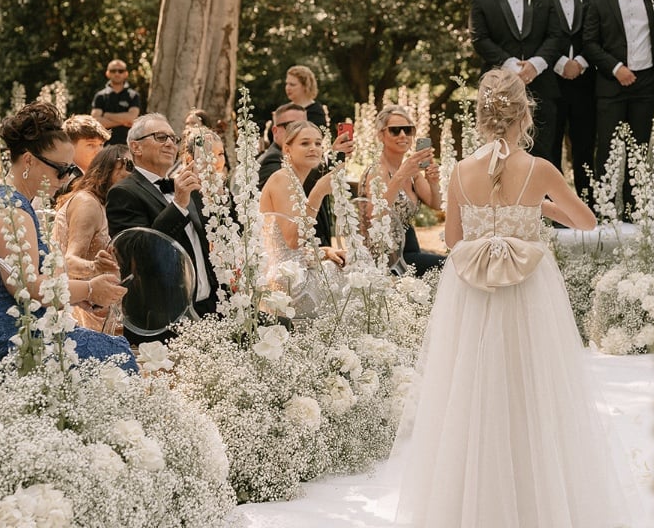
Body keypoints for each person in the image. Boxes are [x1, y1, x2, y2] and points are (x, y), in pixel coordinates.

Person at [393, 69, 635, 527]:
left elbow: (451, 237)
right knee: (534, 391)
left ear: (482, 118)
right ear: (525, 114)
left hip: (473, 293)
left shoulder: (461, 172)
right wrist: (538, 205)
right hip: (528, 293)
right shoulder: (540, 169)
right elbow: (585, 222)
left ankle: (474, 504)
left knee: (473, 391)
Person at [0, 102, 135, 372]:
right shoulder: (6, 206)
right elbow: (25, 286)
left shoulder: (15, 201)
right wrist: (91, 289)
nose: (65, 179)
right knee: (117, 356)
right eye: (60, 169)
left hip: (15, 324)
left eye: (70, 169)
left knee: (110, 349)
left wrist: (78, 296)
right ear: (28, 160)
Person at [105, 114, 220, 338]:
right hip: (163, 319)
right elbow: (138, 253)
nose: (169, 143)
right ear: (136, 147)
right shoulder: (123, 193)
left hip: (208, 309)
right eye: (160, 137)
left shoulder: (184, 185)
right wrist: (178, 204)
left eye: (172, 138)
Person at [583, 0, 654, 215]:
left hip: (646, 83)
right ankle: (603, 209)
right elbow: (590, 44)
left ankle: (635, 208)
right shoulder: (598, 3)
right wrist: (616, 68)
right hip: (612, 85)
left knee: (640, 146)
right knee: (608, 147)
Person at [470, 0, 567, 163]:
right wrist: (511, 66)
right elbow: (480, 39)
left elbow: (556, 35)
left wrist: (536, 64)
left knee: (544, 152)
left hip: (542, 85)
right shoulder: (481, 3)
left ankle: (542, 197)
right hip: (499, 88)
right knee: (499, 150)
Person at [258, 122, 348, 312]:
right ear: (287, 149)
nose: (313, 148)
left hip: (295, 271)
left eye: (318, 143)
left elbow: (290, 247)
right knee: (355, 277)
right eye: (305, 143)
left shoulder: (294, 180)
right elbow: (292, 241)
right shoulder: (282, 179)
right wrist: (318, 192)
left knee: (350, 265)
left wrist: (324, 251)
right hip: (288, 282)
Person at [52, 145, 130, 332]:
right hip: (81, 312)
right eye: (129, 165)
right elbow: (68, 261)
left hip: (101, 309)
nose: (134, 174)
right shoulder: (87, 202)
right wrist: (95, 267)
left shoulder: (105, 206)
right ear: (109, 165)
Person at [542, 0, 597, 204]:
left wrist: (582, 62)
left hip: (585, 84)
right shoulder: (538, 0)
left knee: (585, 145)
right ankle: (554, 206)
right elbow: (536, 39)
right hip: (551, 83)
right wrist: (561, 62)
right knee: (550, 146)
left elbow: (598, 37)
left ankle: (589, 202)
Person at [361, 105, 443, 276]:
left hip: (410, 250)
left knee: (451, 263)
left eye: (408, 130)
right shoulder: (377, 172)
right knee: (448, 265)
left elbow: (436, 204)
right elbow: (374, 216)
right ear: (381, 135)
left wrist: (433, 181)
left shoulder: (412, 172)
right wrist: (399, 176)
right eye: (395, 130)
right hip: (385, 257)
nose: (403, 135)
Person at [90, 58, 141, 145]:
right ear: (107, 73)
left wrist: (106, 115)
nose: (117, 73)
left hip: (128, 146)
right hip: (104, 146)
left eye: (120, 71)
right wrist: (124, 120)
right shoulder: (100, 96)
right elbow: (95, 122)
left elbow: (132, 117)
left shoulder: (133, 95)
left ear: (126, 74)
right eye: (113, 71)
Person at [284, 64, 327, 128]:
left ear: (305, 86)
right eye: (286, 84)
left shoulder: (315, 112)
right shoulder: (284, 110)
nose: (287, 88)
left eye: (292, 85)